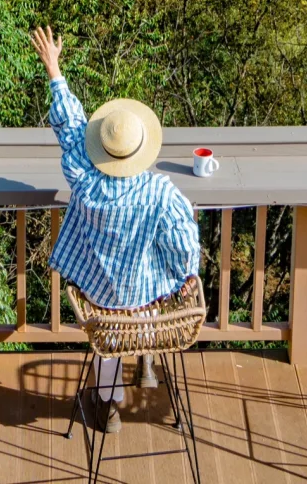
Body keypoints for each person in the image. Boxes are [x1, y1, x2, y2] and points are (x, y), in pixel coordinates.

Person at [30, 25, 201, 435]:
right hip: (147, 304)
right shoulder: (160, 191)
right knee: (155, 283)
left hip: (102, 302)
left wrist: (54, 70)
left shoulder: (85, 180)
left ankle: (108, 406)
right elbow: (183, 246)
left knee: (109, 328)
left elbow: (70, 129)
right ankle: (146, 357)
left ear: (101, 149)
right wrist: (183, 276)